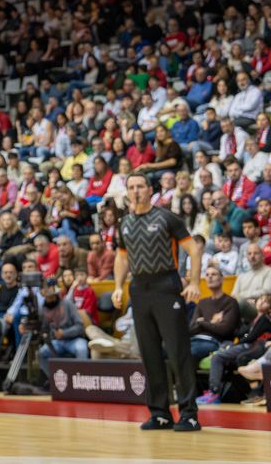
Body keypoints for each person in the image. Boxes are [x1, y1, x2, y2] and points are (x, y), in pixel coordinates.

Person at [112, 172, 205, 431]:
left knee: (178, 352)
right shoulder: (125, 223)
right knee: (149, 353)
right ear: (127, 192)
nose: (136, 191)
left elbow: (193, 249)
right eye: (131, 187)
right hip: (139, 289)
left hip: (166, 285)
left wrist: (195, 282)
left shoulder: (167, 218)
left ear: (149, 189)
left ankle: (189, 414)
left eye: (140, 186)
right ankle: (160, 413)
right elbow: (121, 257)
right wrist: (119, 286)